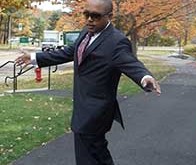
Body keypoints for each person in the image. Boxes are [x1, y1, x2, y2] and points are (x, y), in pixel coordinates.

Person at [15, 0, 161, 164]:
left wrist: (144, 77)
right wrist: (35, 57)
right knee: (96, 154)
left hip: (96, 111)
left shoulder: (116, 41)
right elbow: (70, 52)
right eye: (86, 14)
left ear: (109, 17)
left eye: (95, 16)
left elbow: (130, 62)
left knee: (89, 155)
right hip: (82, 106)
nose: (89, 19)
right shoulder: (86, 32)